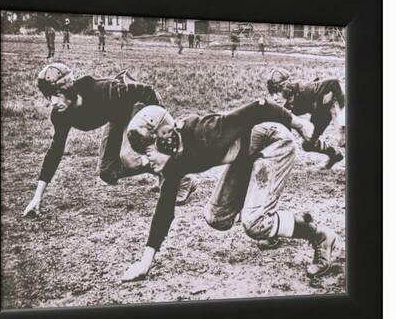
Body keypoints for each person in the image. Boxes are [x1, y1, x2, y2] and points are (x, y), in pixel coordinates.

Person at [121, 100, 338, 282]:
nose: (145, 159)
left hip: (273, 142)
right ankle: (273, 224)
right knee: (217, 217)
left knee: (254, 222)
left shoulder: (205, 132)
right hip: (247, 153)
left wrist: (299, 123)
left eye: (148, 150)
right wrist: (144, 262)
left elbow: (260, 106)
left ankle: (319, 235)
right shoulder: (173, 162)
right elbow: (164, 210)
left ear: (165, 136)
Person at [22, 63, 197, 218]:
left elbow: (146, 91)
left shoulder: (105, 90)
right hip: (118, 116)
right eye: (49, 97)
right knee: (107, 171)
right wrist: (37, 197)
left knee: (129, 158)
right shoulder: (61, 115)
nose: (53, 102)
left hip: (139, 105)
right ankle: (163, 173)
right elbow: (55, 151)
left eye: (56, 94)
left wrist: (160, 127)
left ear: (68, 89)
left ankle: (181, 176)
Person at [266, 68, 345, 169]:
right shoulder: (282, 107)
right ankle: (335, 155)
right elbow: (285, 133)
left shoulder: (304, 89)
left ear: (286, 89)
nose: (274, 98)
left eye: (277, 92)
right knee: (308, 145)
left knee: (343, 139)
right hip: (320, 113)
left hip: (330, 101)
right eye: (271, 93)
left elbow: (334, 82)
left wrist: (343, 113)